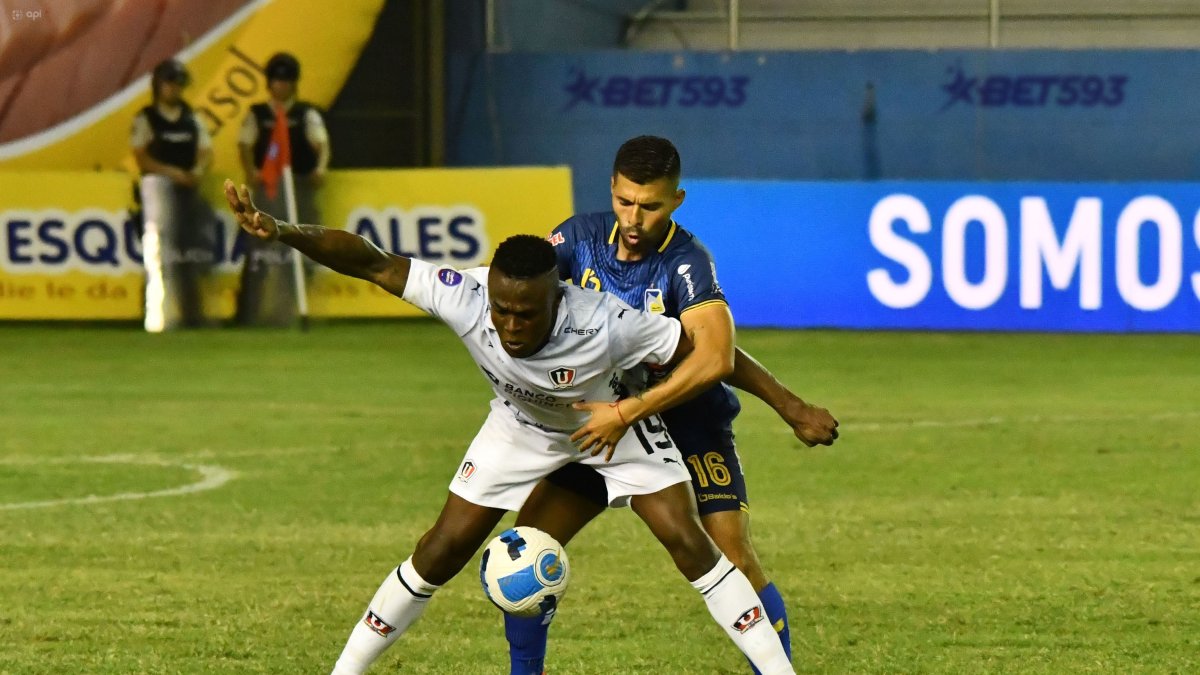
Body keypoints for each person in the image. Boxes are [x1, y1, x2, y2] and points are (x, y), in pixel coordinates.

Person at [221, 179, 797, 675]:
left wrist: (790, 407)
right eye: (503, 311)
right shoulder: (465, 296)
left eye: (527, 313)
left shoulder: (606, 321)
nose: (511, 325)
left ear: (560, 298)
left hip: (605, 425)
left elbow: (709, 353)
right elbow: (371, 261)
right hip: (519, 427)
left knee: (686, 540)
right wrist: (282, 229)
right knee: (441, 550)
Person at [504, 135, 840, 674]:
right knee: (527, 549)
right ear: (612, 188)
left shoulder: (687, 264)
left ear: (677, 200)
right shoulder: (576, 240)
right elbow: (514, 290)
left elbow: (715, 358)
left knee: (733, 558)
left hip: (688, 421)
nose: (635, 218)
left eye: (651, 205)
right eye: (625, 202)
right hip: (607, 424)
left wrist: (790, 407)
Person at [234, 51, 331, 326]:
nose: (281, 85)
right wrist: (251, 171)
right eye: (276, 79)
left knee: (304, 249)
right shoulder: (259, 114)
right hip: (269, 191)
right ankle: (249, 314)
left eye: (286, 80)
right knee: (259, 253)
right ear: (269, 83)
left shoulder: (305, 114)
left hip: (300, 190)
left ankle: (289, 310)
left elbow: (320, 145)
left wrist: (319, 169)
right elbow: (244, 144)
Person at [130, 57, 214, 330]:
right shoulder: (146, 118)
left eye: (179, 84)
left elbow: (205, 151)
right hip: (158, 196)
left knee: (190, 255)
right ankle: (158, 315)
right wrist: (171, 172)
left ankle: (193, 314)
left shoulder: (192, 118)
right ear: (159, 86)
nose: (175, 89)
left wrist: (198, 171)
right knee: (159, 255)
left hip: (188, 194)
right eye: (170, 84)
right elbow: (142, 158)